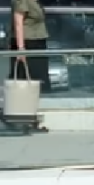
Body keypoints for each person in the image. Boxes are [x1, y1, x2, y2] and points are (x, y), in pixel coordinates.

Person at [9, 0, 49, 130]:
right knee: (24, 83)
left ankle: (31, 119)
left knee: (35, 84)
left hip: (38, 42)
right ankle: (21, 120)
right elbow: (18, 21)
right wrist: (21, 49)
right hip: (28, 43)